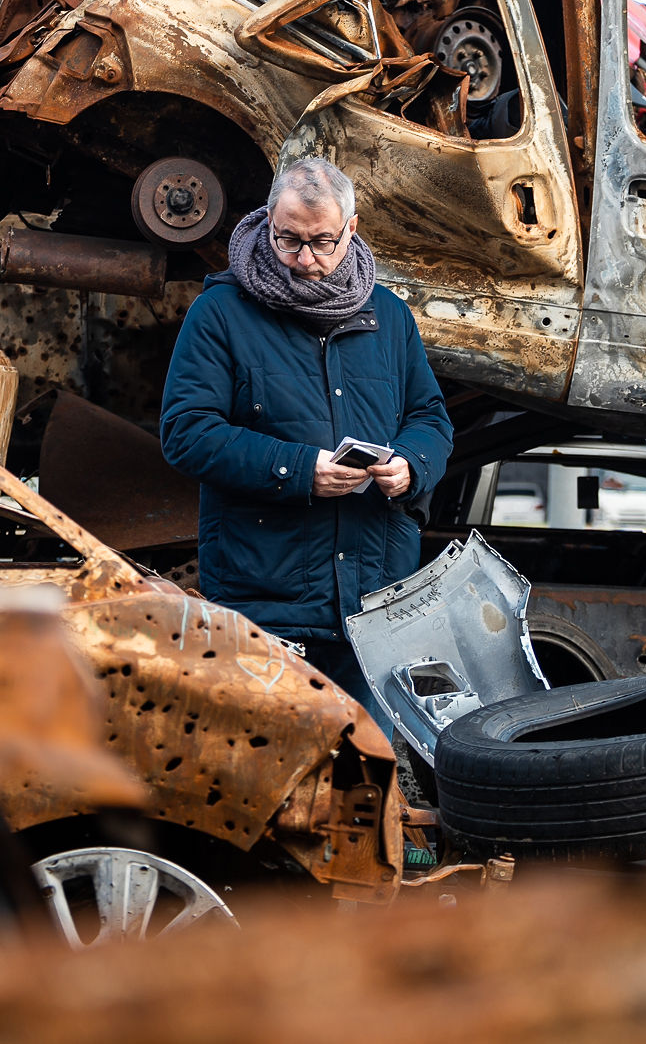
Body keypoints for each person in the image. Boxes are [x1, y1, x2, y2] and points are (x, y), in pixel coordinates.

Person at [160, 157, 453, 721]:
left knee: (367, 779)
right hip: (264, 598)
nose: (305, 260)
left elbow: (431, 418)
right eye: (288, 240)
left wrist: (412, 465)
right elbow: (186, 432)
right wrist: (300, 470)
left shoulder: (390, 316)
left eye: (322, 242)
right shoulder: (219, 313)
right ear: (269, 221)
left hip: (376, 596)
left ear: (352, 228)